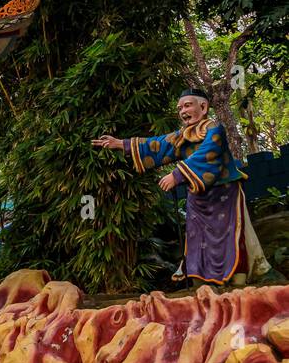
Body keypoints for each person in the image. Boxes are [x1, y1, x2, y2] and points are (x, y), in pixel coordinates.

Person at [92, 86, 268, 286]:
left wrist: (177, 175)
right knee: (197, 240)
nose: (183, 112)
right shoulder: (183, 135)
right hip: (198, 198)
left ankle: (238, 281)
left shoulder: (214, 130)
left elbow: (208, 154)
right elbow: (158, 144)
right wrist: (120, 144)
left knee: (229, 237)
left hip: (224, 194)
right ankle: (201, 283)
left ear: (203, 107)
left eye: (187, 106)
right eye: (180, 109)